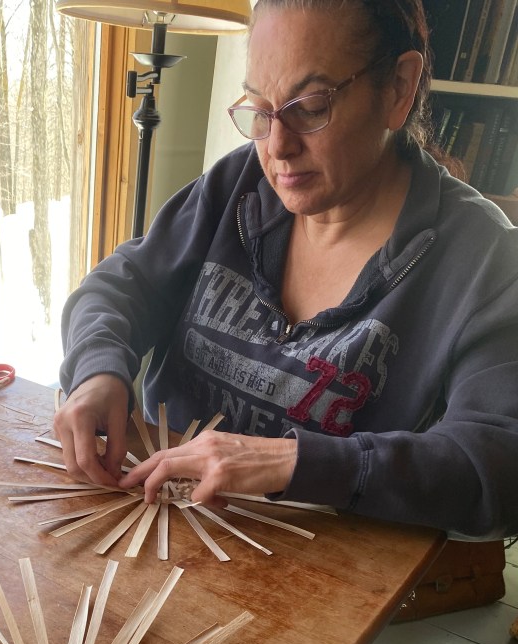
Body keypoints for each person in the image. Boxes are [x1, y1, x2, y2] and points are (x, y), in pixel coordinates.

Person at [55, 0, 518, 542]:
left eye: (310, 106)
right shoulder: (239, 183)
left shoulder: (484, 260)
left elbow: (500, 465)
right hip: (147, 519)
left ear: (398, 87)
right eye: (259, 108)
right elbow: (118, 286)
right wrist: (97, 370)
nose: (277, 147)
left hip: (313, 582)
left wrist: (292, 464)